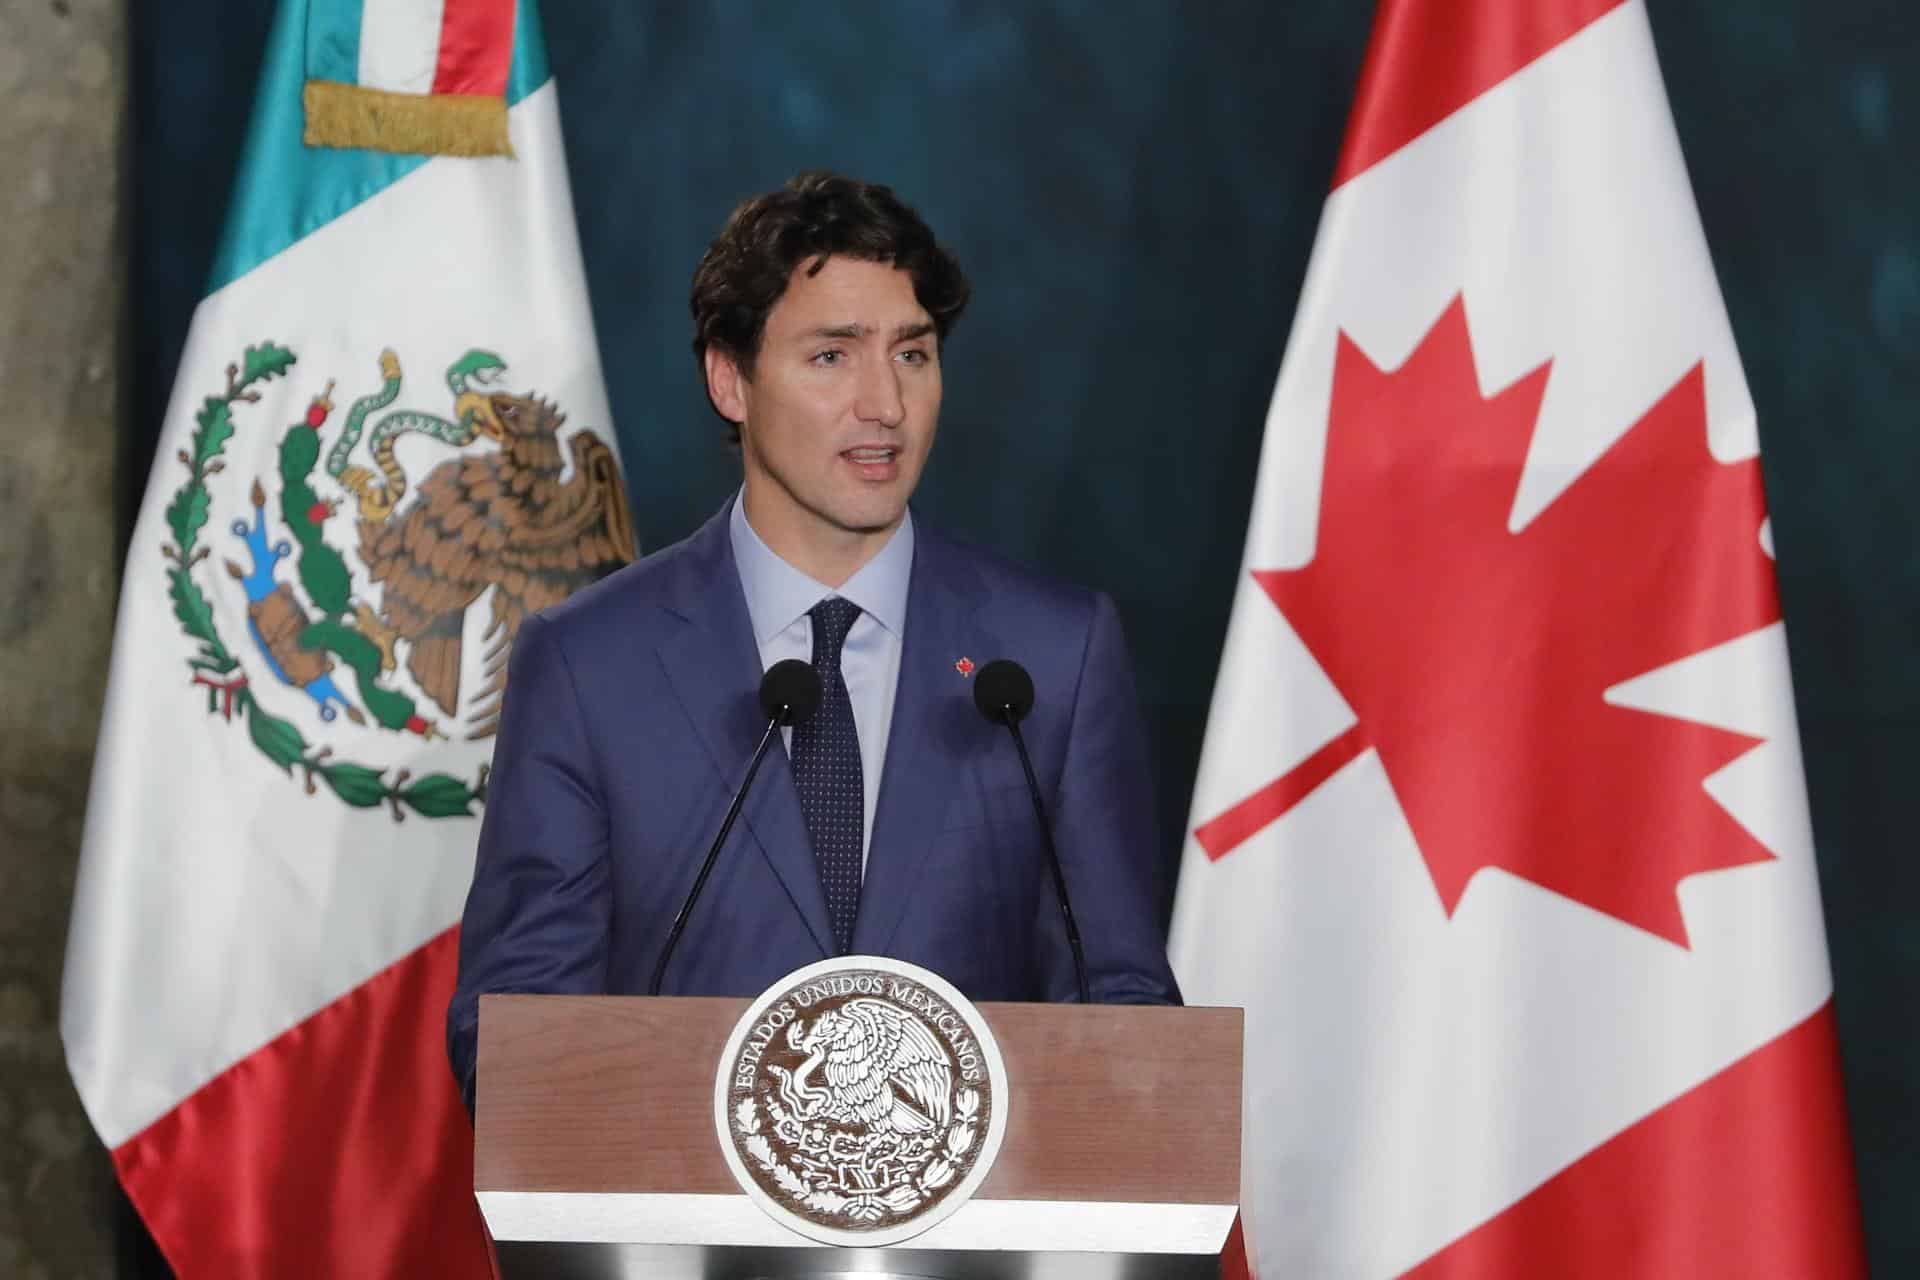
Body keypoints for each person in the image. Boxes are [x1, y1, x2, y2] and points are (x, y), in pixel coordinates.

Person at [446, 173, 1179, 1108]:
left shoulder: (1052, 656)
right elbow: (514, 1027)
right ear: (730, 378)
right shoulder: (588, 663)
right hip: (680, 1238)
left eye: (912, 355)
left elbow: (1120, 1001)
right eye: (833, 357)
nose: (885, 404)